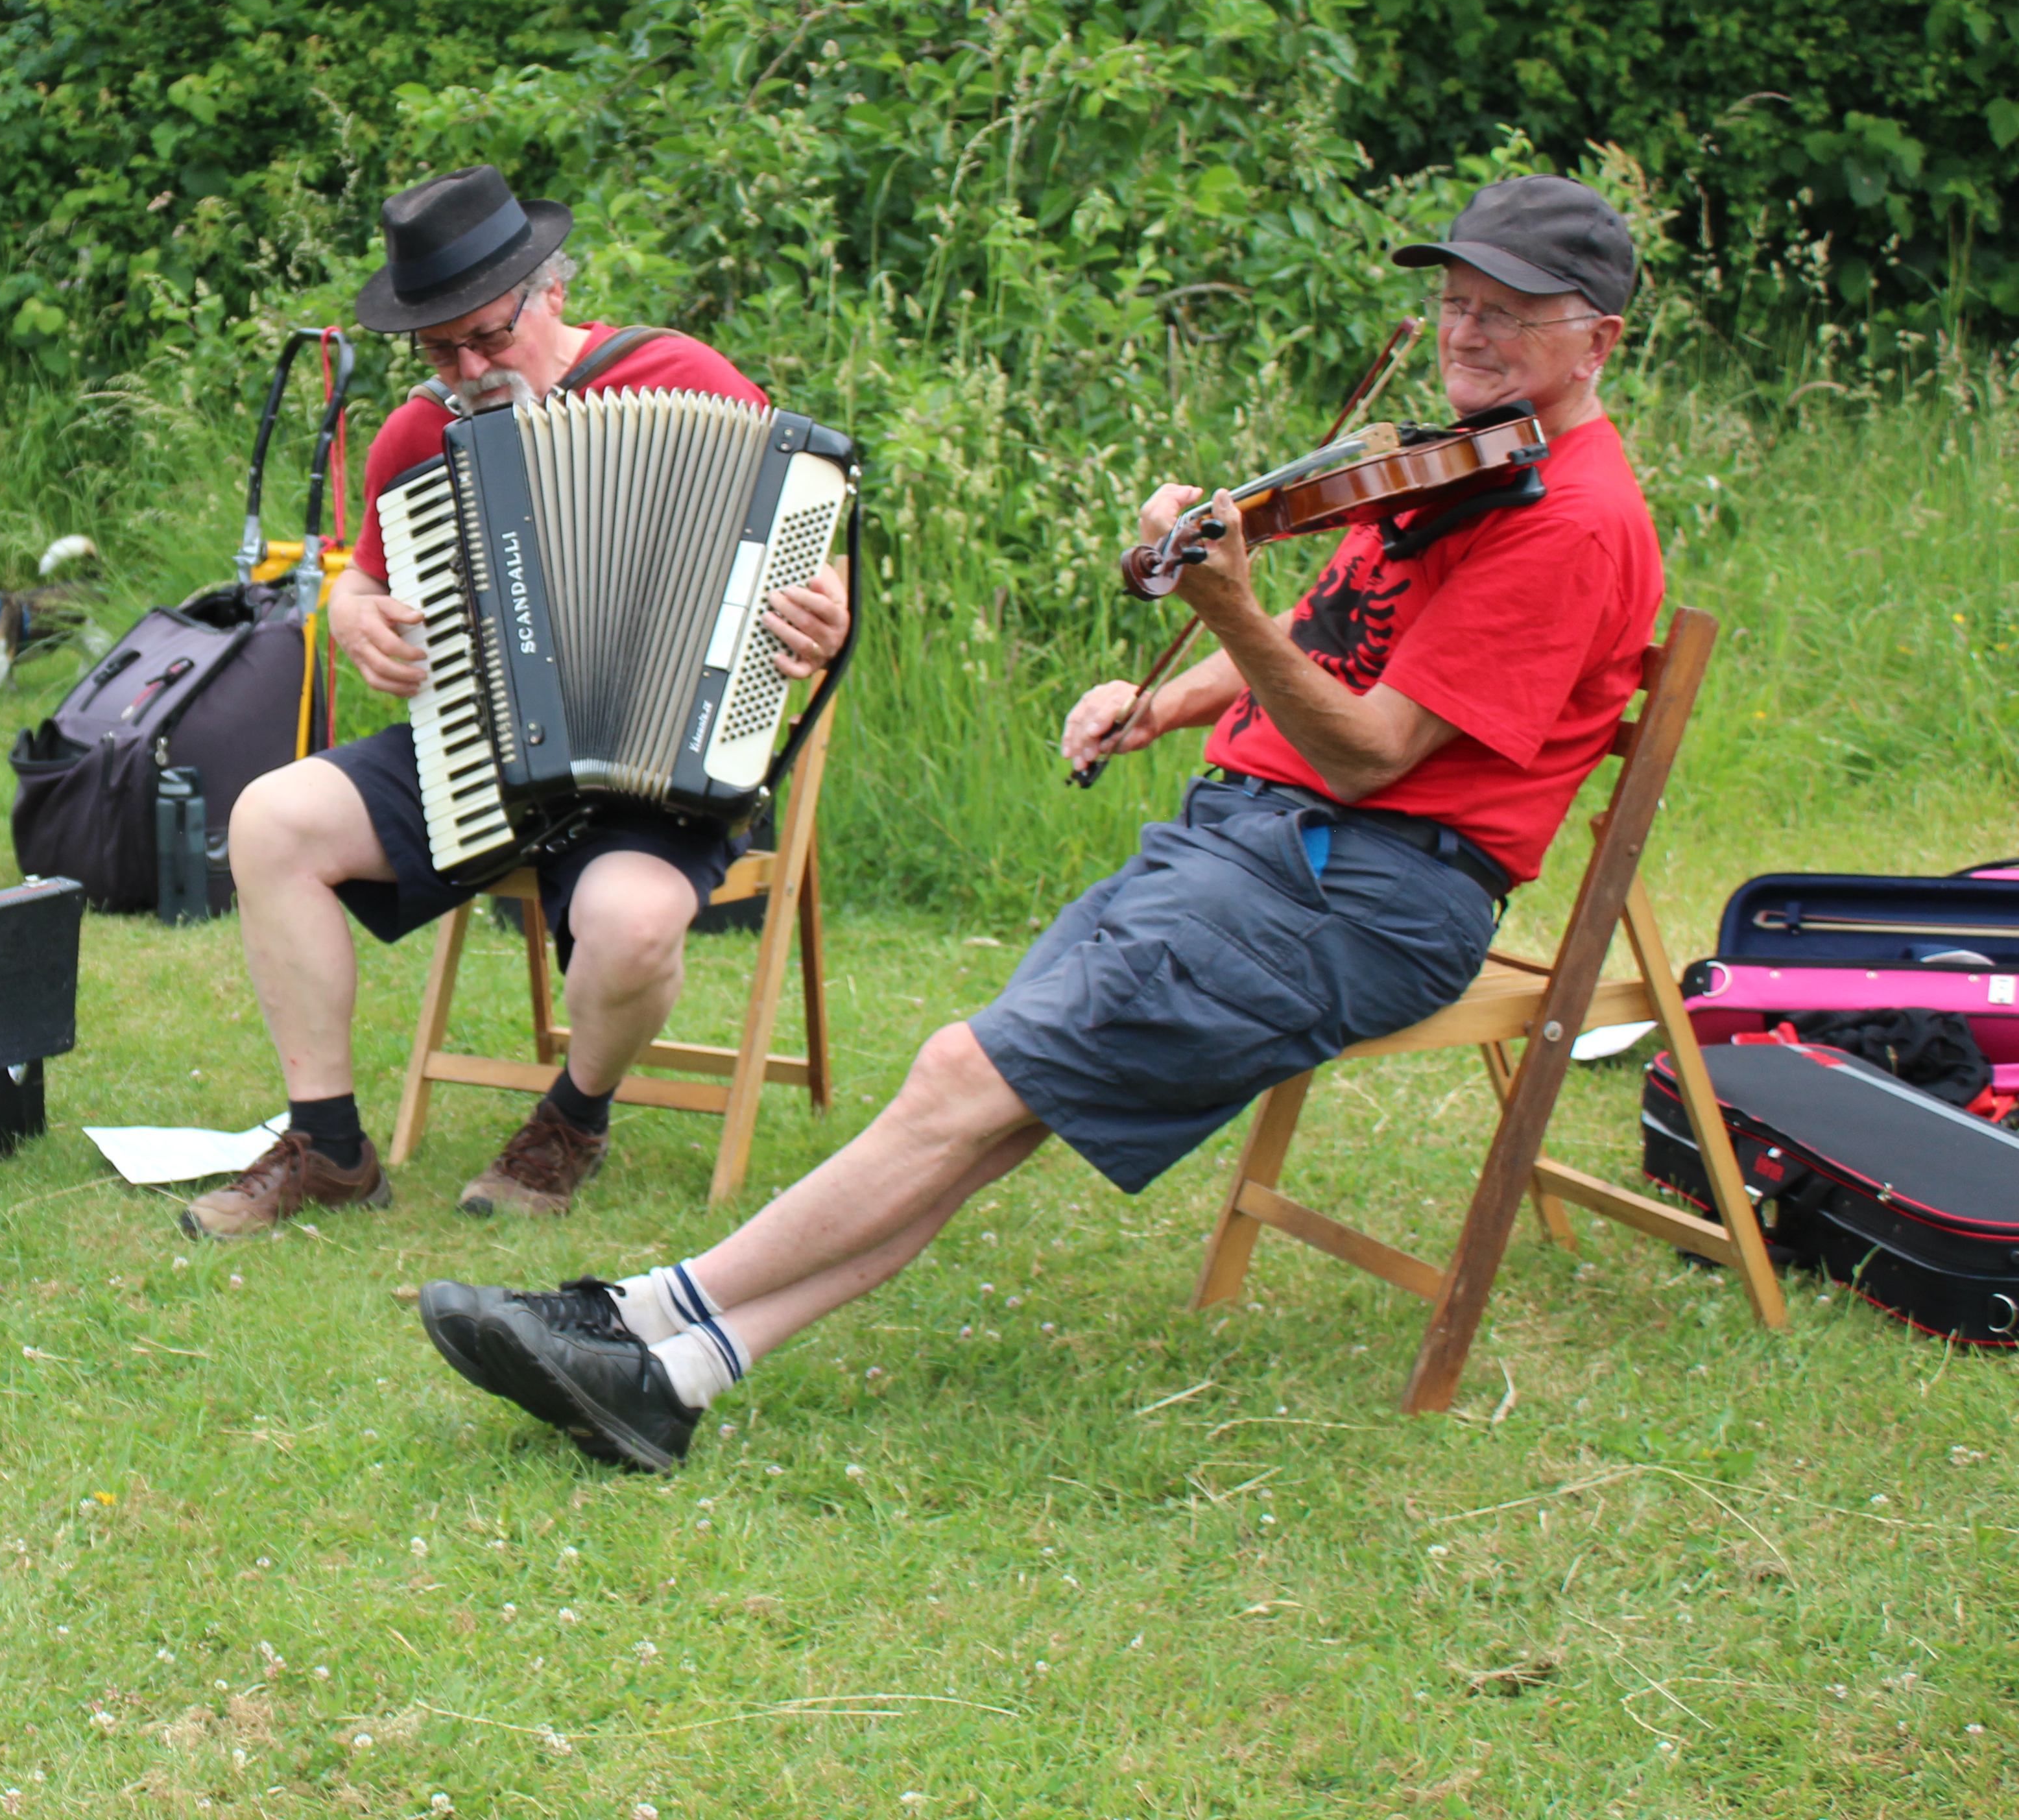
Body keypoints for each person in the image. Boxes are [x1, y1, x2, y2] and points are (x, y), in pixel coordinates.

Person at [419, 174, 1666, 1469]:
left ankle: (634, 1312)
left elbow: (1370, 752)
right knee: (992, 1096)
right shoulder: (1463, 475)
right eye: (1457, 304)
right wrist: (1165, 701)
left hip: (1364, 887)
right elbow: (1335, 634)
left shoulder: (1571, 522)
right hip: (1255, 845)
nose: (1468, 335)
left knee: (970, 1073)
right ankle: (676, 1374)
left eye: (1510, 316)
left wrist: (1225, 605)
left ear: (1599, 343)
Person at [180, 165, 852, 1238]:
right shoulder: (418, 432)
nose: (465, 370)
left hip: (659, 770)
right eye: (437, 349)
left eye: (485, 338)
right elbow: (365, 575)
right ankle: (329, 1146)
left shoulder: (685, 378)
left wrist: (824, 618)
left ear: (548, 293)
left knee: (628, 924)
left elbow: (815, 567)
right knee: (269, 819)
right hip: (472, 750)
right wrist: (353, 610)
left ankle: (568, 1122)